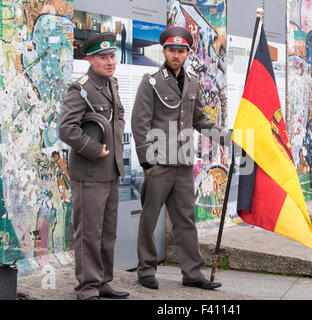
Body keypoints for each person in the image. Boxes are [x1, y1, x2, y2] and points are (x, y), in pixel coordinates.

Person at [131, 26, 231, 290]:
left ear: (188, 53)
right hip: (158, 163)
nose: (176, 55)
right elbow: (139, 124)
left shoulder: (193, 82)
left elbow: (199, 119)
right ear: (164, 51)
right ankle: (146, 269)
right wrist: (146, 163)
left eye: (181, 51)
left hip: (184, 164)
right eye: (172, 50)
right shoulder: (150, 81)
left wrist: (228, 138)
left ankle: (192, 273)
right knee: (150, 217)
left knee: (186, 219)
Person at [59, 32, 129, 300]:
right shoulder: (81, 88)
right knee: (88, 234)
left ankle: (102, 284)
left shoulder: (112, 85)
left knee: (107, 233)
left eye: (112, 56)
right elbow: (66, 129)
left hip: (110, 173)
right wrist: (94, 149)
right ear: (90, 59)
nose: (110, 62)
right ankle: (87, 289)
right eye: (103, 58)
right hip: (88, 173)